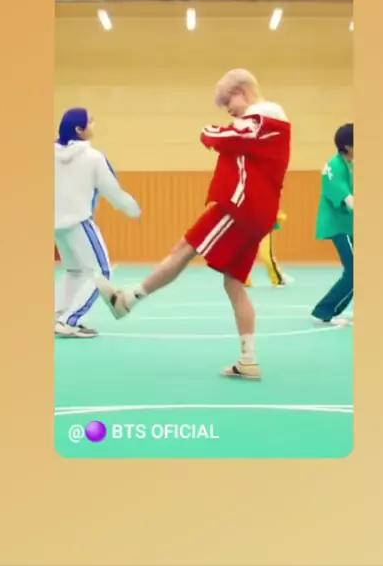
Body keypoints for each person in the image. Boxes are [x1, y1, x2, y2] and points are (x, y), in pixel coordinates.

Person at [97, 69, 291, 380]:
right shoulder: (261, 123)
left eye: (228, 102)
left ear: (242, 91)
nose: (227, 110)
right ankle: (248, 359)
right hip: (255, 212)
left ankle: (127, 301)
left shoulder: (264, 115)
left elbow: (225, 135)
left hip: (241, 207)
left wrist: (208, 130)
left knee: (185, 248)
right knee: (232, 283)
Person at [54, 108, 141, 338]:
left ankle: (57, 316)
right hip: (80, 222)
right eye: (90, 122)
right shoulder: (93, 158)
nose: (94, 125)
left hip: (56, 225)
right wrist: (133, 209)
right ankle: (70, 320)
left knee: (74, 271)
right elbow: (112, 190)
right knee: (100, 272)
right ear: (79, 129)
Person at [311, 123, 354, 327]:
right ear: (348, 146)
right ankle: (325, 311)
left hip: (349, 225)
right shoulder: (334, 166)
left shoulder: (350, 164)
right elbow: (348, 199)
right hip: (339, 225)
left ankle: (327, 310)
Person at [244, 211, 294, 287]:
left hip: (263, 227)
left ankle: (278, 279)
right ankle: (245, 280)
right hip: (246, 227)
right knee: (245, 256)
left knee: (266, 256)